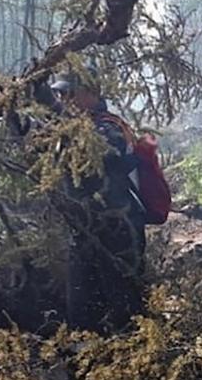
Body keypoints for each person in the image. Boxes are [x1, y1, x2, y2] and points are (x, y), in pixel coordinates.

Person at [50, 71, 148, 333]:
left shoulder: (111, 128)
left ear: (90, 95)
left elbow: (102, 154)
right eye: (59, 94)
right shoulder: (66, 129)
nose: (62, 100)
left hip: (119, 229)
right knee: (81, 309)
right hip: (83, 231)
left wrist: (62, 123)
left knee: (125, 305)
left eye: (68, 93)